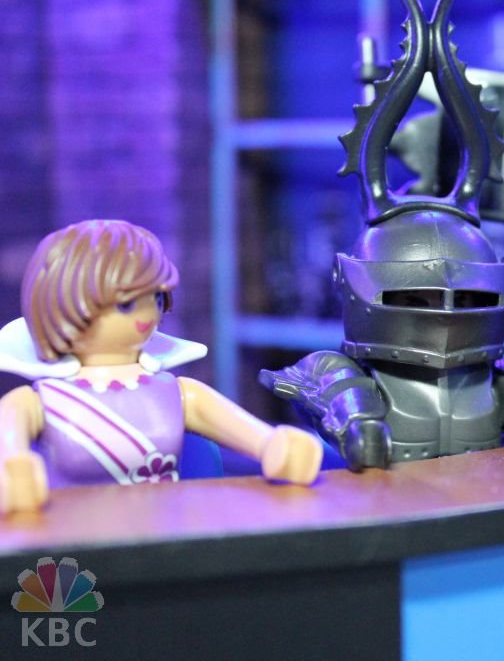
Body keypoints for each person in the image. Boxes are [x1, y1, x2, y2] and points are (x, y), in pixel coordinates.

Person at [0, 220, 322, 514]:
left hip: (166, 531)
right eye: (126, 304)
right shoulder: (38, 402)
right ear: (65, 304)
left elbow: (252, 435)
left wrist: (275, 446)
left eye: (155, 299)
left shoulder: (179, 393)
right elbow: (9, 449)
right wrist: (13, 471)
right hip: (74, 540)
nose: (147, 315)